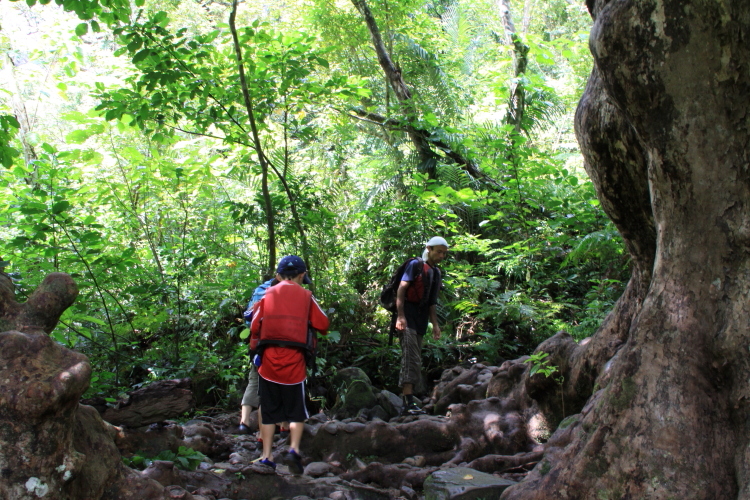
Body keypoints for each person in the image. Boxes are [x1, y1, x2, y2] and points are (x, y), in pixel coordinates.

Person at [250, 255, 329, 473]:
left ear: (279, 274)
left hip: (269, 365)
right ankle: (293, 450)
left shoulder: (266, 295)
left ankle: (267, 456)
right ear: (302, 275)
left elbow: (255, 325)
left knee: (268, 409)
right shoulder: (306, 296)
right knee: (296, 411)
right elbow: (323, 324)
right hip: (294, 365)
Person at [394, 236, 448, 415]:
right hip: (407, 316)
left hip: (421, 319)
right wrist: (400, 316)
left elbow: (432, 302)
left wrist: (435, 325)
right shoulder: (415, 265)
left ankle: (409, 401)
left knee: (416, 358)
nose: (441, 255)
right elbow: (402, 289)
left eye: (444, 253)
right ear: (429, 249)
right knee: (410, 358)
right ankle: (407, 402)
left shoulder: (436, 272)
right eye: (438, 251)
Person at [237, 277, 279, 435]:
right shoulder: (284, 293)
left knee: (254, 380)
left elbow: (249, 321)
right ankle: (277, 426)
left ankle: (244, 422)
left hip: (258, 344)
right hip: (275, 346)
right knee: (274, 383)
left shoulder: (259, 292)